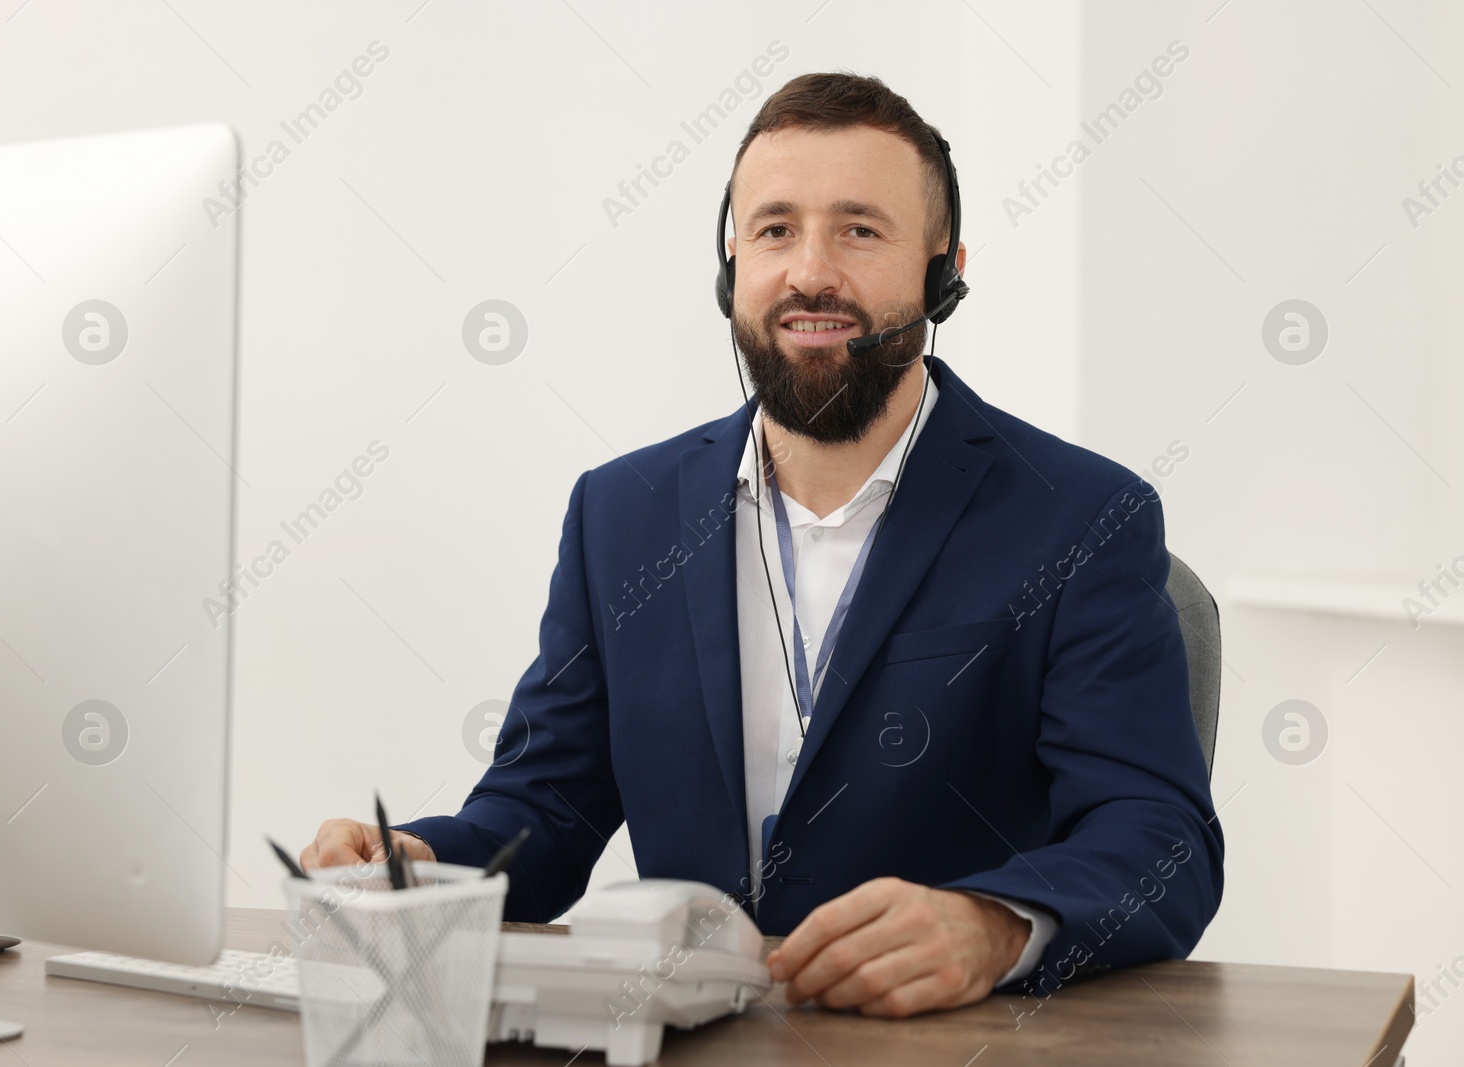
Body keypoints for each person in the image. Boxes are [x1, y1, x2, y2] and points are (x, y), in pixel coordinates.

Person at [303, 72, 1223, 1018]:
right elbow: (544, 809)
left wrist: (992, 924)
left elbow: (1160, 843)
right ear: (730, 262)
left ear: (943, 270)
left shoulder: (1078, 515)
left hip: (946, 1042)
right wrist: (419, 865)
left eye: (859, 230)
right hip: (694, 1035)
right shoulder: (623, 514)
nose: (810, 272)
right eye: (776, 229)